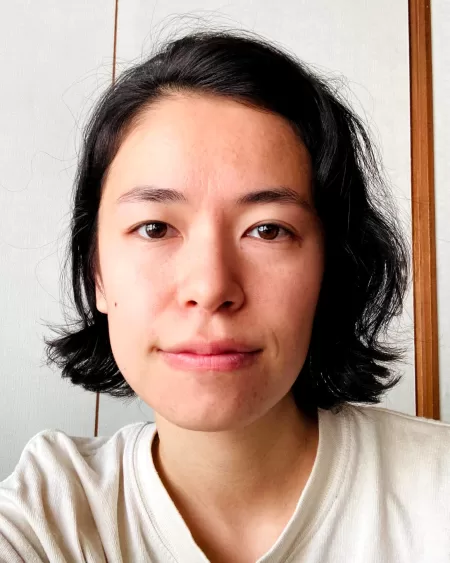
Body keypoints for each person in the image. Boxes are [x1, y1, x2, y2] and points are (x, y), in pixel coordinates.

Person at [1, 27, 449, 563]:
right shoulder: (48, 512)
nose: (211, 288)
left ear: (330, 268)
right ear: (97, 271)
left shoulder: (435, 490)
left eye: (268, 230)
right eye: (155, 228)